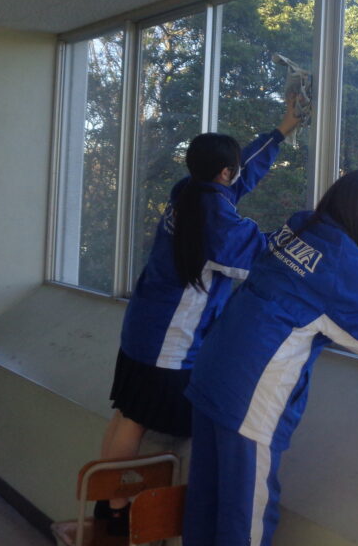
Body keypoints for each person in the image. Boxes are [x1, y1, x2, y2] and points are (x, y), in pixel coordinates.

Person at [181, 170, 358, 546]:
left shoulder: (300, 228)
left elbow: (355, 216)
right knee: (244, 516)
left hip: (212, 375)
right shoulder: (340, 263)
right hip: (248, 398)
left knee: (206, 501)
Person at [94, 99, 302, 535]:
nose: (237, 174)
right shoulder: (219, 224)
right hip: (169, 345)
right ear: (223, 173)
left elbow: (241, 174)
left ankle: (103, 505)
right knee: (142, 423)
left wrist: (280, 132)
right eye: (232, 169)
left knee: (126, 412)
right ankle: (117, 510)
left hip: (142, 328)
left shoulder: (187, 191)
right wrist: (314, 229)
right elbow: (265, 255)